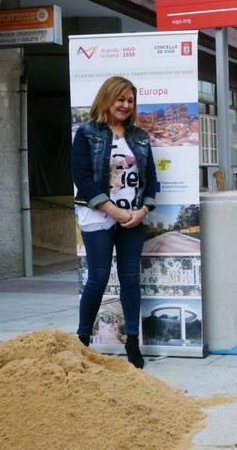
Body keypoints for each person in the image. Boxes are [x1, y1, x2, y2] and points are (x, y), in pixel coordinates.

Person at [71, 76, 157, 369]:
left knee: (131, 279)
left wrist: (142, 211)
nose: (125, 105)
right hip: (98, 215)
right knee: (97, 277)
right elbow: (81, 178)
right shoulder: (86, 133)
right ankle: (81, 342)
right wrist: (114, 211)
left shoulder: (140, 137)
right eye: (120, 99)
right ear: (107, 99)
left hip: (133, 217)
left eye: (130, 100)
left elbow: (151, 181)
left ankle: (132, 341)